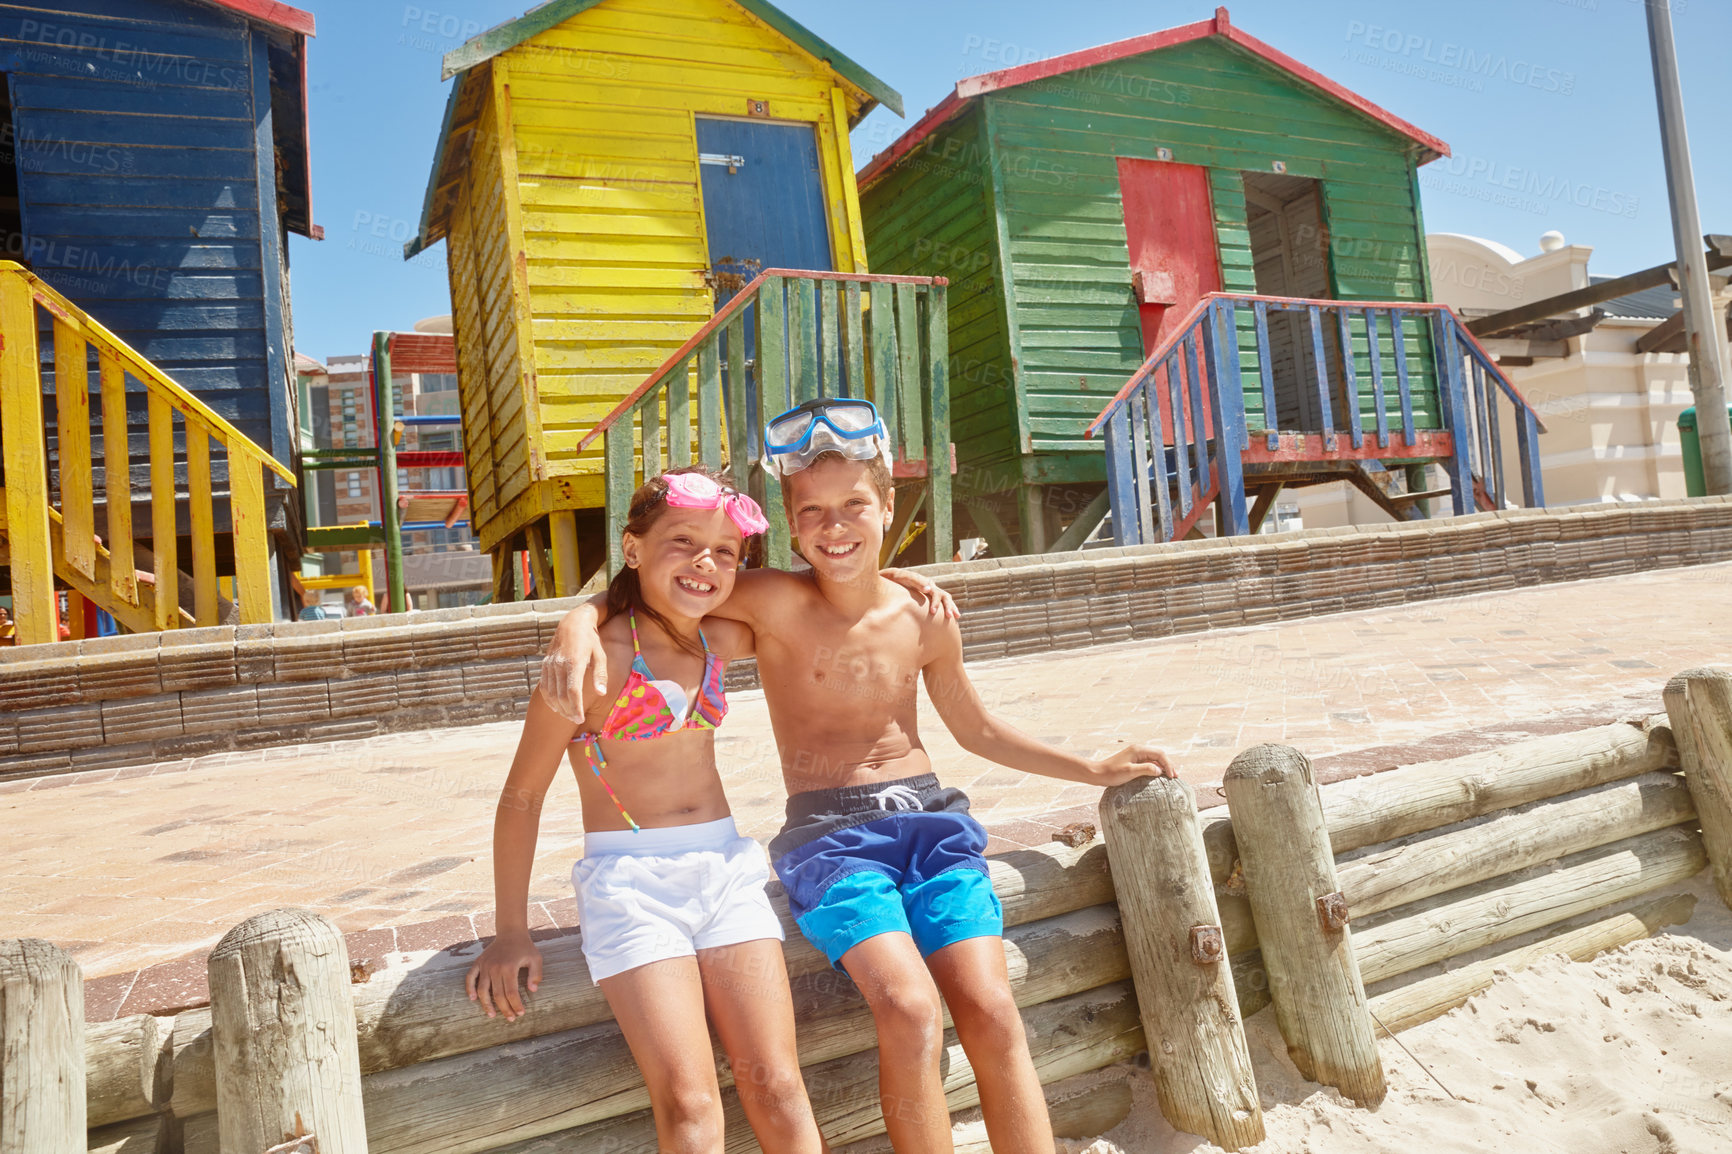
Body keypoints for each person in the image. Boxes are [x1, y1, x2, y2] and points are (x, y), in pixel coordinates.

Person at [541, 398, 1175, 1154]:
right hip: (831, 838)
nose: (834, 526)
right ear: (788, 520)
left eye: (853, 507)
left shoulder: (923, 617)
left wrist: (1091, 768)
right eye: (812, 511)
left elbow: (975, 729)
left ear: (889, 507)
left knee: (993, 1007)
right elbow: (654, 592)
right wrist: (574, 622)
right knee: (907, 1007)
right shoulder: (773, 601)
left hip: (933, 826)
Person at [466, 468, 824, 1154]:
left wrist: (905, 583)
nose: (706, 563)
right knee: (689, 1105)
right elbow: (522, 796)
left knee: (778, 1085)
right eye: (683, 540)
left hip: (726, 873)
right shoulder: (590, 663)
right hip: (632, 888)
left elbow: (823, 596)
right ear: (632, 548)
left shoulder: (718, 638)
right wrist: (511, 930)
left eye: (726, 551)